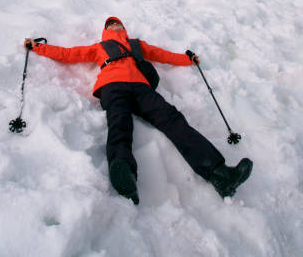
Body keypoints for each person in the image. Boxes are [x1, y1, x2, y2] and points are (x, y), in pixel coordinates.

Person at [24, 16, 252, 204]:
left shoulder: (137, 45)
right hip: (113, 88)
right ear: (105, 30)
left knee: (174, 120)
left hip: (142, 89)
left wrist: (187, 59)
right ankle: (123, 172)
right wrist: (37, 47)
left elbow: (164, 55)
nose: (115, 25)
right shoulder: (99, 47)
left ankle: (219, 174)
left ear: (123, 27)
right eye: (110, 24)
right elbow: (68, 54)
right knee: (119, 123)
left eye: (118, 23)